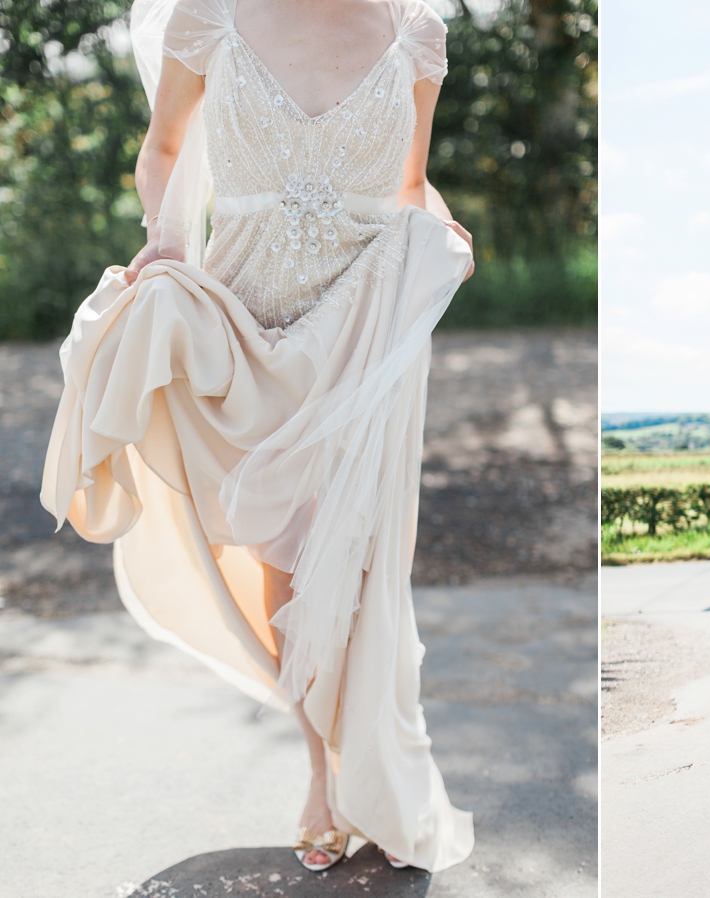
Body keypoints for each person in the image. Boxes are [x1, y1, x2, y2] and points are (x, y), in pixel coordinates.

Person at [40, 0, 477, 873]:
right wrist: (166, 242)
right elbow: (163, 150)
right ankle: (324, 763)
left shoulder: (417, 33)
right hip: (244, 333)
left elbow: (408, 184)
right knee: (285, 560)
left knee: (349, 557)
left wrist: (443, 222)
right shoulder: (209, 17)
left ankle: (355, 775)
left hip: (361, 329)